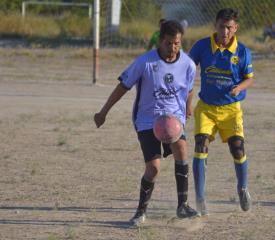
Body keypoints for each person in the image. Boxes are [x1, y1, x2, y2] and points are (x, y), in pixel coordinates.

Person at [94, 20, 198, 227]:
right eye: (168, 43)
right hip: (147, 120)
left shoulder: (188, 64)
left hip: (174, 119)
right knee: (154, 168)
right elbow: (123, 86)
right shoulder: (145, 62)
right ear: (160, 41)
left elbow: (189, 88)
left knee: (182, 150)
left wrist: (188, 107)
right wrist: (104, 111)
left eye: (177, 43)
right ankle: (140, 212)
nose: (173, 48)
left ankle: (182, 205)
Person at [189, 8, 254, 216]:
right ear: (215, 25)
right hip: (206, 107)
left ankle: (242, 188)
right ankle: (200, 198)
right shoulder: (201, 46)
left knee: (237, 148)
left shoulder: (242, 52)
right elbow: (187, 71)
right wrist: (185, 102)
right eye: (221, 26)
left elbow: (249, 78)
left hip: (231, 109)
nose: (225, 32)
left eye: (229, 28)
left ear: (235, 28)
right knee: (201, 145)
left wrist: (239, 87)